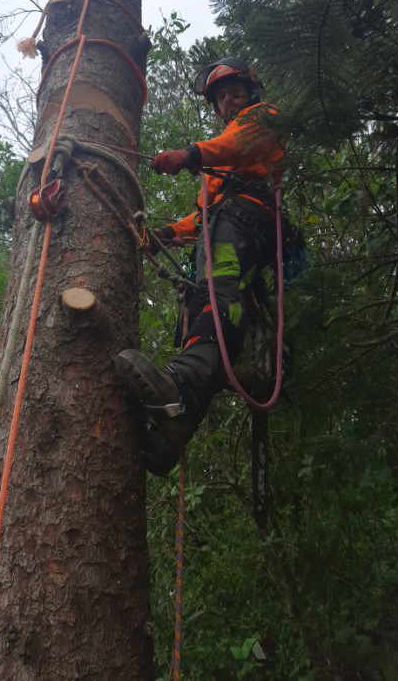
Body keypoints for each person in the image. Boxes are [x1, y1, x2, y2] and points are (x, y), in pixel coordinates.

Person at [115, 58, 286, 474]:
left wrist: (188, 154)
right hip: (224, 224)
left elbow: (237, 145)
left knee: (216, 298)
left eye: (235, 91)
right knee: (203, 313)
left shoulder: (261, 119)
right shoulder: (223, 162)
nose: (229, 100)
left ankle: (182, 385)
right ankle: (174, 432)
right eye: (220, 96)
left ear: (251, 92)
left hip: (246, 221)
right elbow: (205, 213)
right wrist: (167, 234)